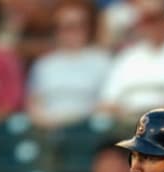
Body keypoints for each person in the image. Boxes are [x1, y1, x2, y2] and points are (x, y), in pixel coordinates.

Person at [26, 0, 112, 129]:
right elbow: (33, 105)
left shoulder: (103, 61)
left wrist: (75, 120)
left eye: (77, 25)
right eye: (64, 26)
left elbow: (107, 104)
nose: (71, 32)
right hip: (50, 131)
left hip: (88, 129)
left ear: (88, 28)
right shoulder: (44, 65)